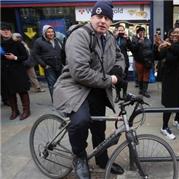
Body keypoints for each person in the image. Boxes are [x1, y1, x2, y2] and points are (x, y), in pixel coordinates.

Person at [53, 1, 125, 178]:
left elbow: (120, 56)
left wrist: (118, 69)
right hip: (75, 88)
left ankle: (102, 159)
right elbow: (80, 73)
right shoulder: (80, 35)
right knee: (80, 122)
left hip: (97, 89)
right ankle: (79, 156)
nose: (103, 21)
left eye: (107, 18)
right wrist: (111, 79)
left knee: (99, 128)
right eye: (99, 16)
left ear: (110, 22)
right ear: (91, 17)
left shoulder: (109, 37)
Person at [158, 27, 179, 140]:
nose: (176, 34)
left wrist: (169, 46)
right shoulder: (166, 45)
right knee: (169, 104)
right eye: (174, 32)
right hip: (170, 79)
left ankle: (177, 120)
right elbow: (159, 56)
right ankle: (164, 127)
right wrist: (158, 47)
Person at [1, 24, 31, 120]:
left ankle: (26, 110)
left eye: (8, 30)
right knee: (10, 93)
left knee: (22, 91)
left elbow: (25, 56)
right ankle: (14, 111)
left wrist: (14, 57)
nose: (6, 31)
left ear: (11, 32)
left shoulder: (17, 43)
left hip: (18, 71)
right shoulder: (1, 44)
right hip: (5, 72)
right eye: (3, 30)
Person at [31, 24, 63, 102]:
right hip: (49, 67)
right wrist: (44, 65)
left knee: (61, 84)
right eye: (48, 32)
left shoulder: (57, 40)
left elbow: (62, 52)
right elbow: (35, 54)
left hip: (59, 66)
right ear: (44, 32)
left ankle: (62, 100)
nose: (51, 33)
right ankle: (55, 101)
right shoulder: (39, 41)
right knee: (52, 85)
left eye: (52, 31)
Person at [132, 27, 153, 98]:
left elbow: (151, 49)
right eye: (140, 31)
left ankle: (145, 91)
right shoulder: (135, 40)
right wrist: (139, 43)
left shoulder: (148, 40)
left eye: (143, 31)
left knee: (146, 76)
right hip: (139, 61)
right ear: (138, 33)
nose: (142, 33)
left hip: (147, 61)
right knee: (140, 75)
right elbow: (133, 49)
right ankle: (141, 89)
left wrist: (151, 59)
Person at [114, 25, 132, 103]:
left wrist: (128, 40)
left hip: (124, 60)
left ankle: (124, 94)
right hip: (115, 61)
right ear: (117, 30)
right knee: (116, 78)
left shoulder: (126, 39)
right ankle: (118, 95)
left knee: (124, 78)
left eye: (122, 30)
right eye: (119, 30)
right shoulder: (113, 38)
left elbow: (131, 48)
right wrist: (115, 36)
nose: (121, 32)